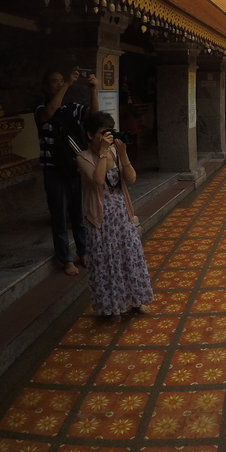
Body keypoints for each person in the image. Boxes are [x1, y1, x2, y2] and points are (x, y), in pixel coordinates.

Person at [76, 111, 153, 322]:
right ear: (91, 135)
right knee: (107, 263)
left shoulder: (115, 152)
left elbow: (131, 178)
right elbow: (98, 181)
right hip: (100, 219)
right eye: (103, 133)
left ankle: (137, 300)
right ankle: (113, 308)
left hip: (121, 213)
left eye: (109, 132)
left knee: (130, 258)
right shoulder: (83, 157)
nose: (108, 137)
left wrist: (124, 155)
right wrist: (102, 153)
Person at [36, 67, 99, 275]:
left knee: (77, 214)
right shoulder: (40, 109)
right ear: (46, 86)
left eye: (60, 80)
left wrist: (93, 91)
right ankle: (65, 258)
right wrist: (68, 84)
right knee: (59, 216)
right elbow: (50, 112)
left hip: (72, 168)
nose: (59, 83)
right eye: (54, 81)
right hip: (53, 170)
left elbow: (94, 116)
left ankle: (83, 251)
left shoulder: (71, 108)